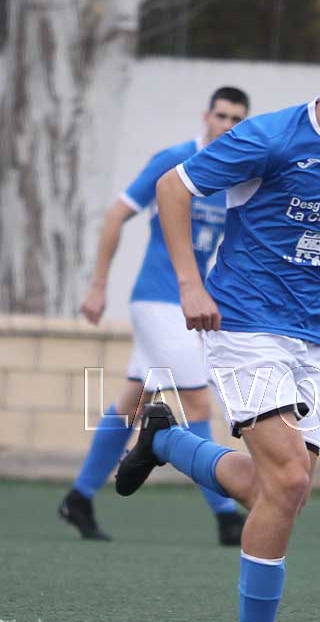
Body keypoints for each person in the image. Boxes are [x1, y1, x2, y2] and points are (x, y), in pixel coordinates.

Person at [116, 12, 320, 622]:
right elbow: (173, 188)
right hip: (243, 328)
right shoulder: (269, 138)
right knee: (290, 479)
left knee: (275, 493)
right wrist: (191, 285)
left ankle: (165, 441)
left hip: (309, 338)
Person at [59, 87, 251, 546]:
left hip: (186, 307)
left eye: (236, 120)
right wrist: (98, 285)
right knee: (198, 404)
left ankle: (79, 498)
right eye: (221, 115)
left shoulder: (237, 174)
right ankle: (227, 516)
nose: (226, 125)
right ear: (206, 115)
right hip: (157, 302)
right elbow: (115, 215)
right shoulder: (175, 160)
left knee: (131, 402)